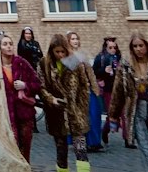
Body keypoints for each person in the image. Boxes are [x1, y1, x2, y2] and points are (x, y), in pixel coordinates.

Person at [39, 32, 95, 170]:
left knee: (80, 147)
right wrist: (51, 100)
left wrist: (82, 107)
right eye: (57, 52)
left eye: (63, 51)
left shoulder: (74, 62)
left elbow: (84, 85)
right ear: (52, 51)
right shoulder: (44, 64)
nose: (60, 55)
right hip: (56, 112)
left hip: (75, 110)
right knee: (61, 148)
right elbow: (41, 87)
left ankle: (84, 169)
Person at [109, 33, 148, 172]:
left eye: (141, 45)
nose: (138, 49)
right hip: (136, 111)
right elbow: (118, 91)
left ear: (146, 46)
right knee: (146, 149)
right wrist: (113, 115)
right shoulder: (126, 66)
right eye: (135, 46)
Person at [0, 33, 41, 159]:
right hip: (7, 113)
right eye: (5, 44)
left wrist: (25, 85)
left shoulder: (21, 63)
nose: (9, 47)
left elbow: (37, 83)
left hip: (24, 112)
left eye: (11, 44)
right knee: (12, 147)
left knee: (25, 147)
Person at [66, 30, 103, 151]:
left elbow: (90, 73)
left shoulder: (82, 54)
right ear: (68, 41)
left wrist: (94, 87)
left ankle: (94, 141)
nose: (75, 41)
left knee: (94, 114)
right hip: (76, 93)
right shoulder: (67, 57)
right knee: (80, 117)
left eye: (76, 38)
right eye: (72, 39)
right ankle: (82, 142)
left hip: (88, 90)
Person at [93, 35, 123, 145]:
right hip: (108, 89)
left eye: (115, 47)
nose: (113, 50)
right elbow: (94, 72)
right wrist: (104, 71)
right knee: (112, 113)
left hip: (119, 89)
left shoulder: (118, 57)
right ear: (105, 48)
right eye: (110, 48)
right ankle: (105, 131)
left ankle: (128, 138)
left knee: (122, 113)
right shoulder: (100, 58)